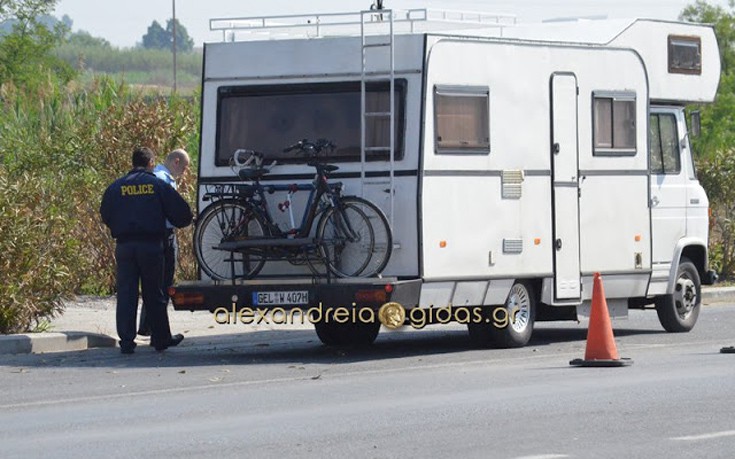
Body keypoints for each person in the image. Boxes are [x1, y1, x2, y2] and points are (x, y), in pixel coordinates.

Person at [100, 147, 193, 354]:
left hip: (124, 246)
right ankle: (160, 339)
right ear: (151, 163)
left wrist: (121, 226)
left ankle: (126, 342)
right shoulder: (157, 185)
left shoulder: (116, 187)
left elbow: (105, 213)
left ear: (132, 163)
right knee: (154, 292)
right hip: (151, 245)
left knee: (126, 294)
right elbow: (181, 212)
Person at [137, 148, 191, 336]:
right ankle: (154, 327)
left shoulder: (160, 177)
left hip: (159, 234)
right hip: (162, 235)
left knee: (155, 282)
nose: (184, 173)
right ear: (176, 162)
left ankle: (148, 325)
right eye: (184, 168)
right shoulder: (161, 178)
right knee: (162, 282)